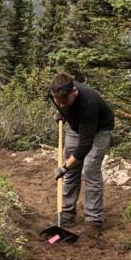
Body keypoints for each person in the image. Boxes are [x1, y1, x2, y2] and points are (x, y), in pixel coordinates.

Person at [48, 73, 114, 232]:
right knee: (71, 171)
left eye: (65, 101)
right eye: (57, 101)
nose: (61, 104)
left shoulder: (89, 102)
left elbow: (85, 145)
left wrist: (64, 167)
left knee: (90, 169)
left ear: (74, 92)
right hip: (75, 127)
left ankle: (93, 219)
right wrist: (62, 112)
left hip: (99, 130)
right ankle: (67, 214)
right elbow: (61, 103)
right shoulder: (54, 91)